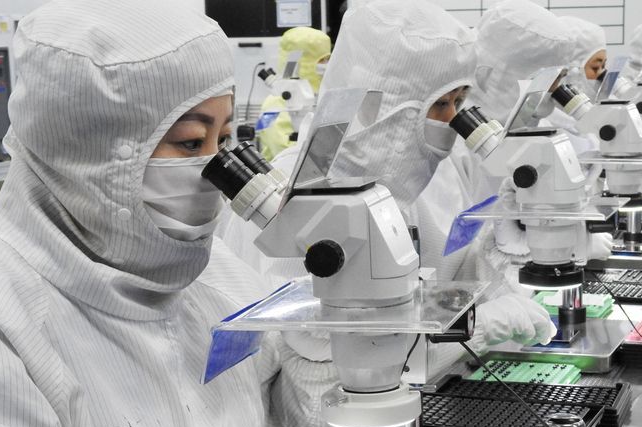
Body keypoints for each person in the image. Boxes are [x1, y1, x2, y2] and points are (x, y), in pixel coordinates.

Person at [0, 1, 388, 427]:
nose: (217, 171)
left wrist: (320, 345)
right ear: (90, 154)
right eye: (191, 144)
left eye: (224, 138)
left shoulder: (213, 272)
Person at [219, 0, 557, 367]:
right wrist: (477, 327)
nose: (453, 121)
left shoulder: (422, 185)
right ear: (381, 106)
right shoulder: (292, 203)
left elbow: (451, 274)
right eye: (441, 104)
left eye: (460, 101)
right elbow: (314, 376)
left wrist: (505, 242)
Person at [464, 0, 613, 292]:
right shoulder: (463, 145)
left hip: (518, 288)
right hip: (481, 302)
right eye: (548, 79)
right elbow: (456, 247)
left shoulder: (532, 128)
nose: (557, 89)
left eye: (560, 77)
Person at [256, 27, 331, 161]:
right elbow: (279, 148)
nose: (326, 64)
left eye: (328, 58)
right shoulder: (273, 103)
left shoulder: (321, 96)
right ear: (302, 61)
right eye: (321, 60)